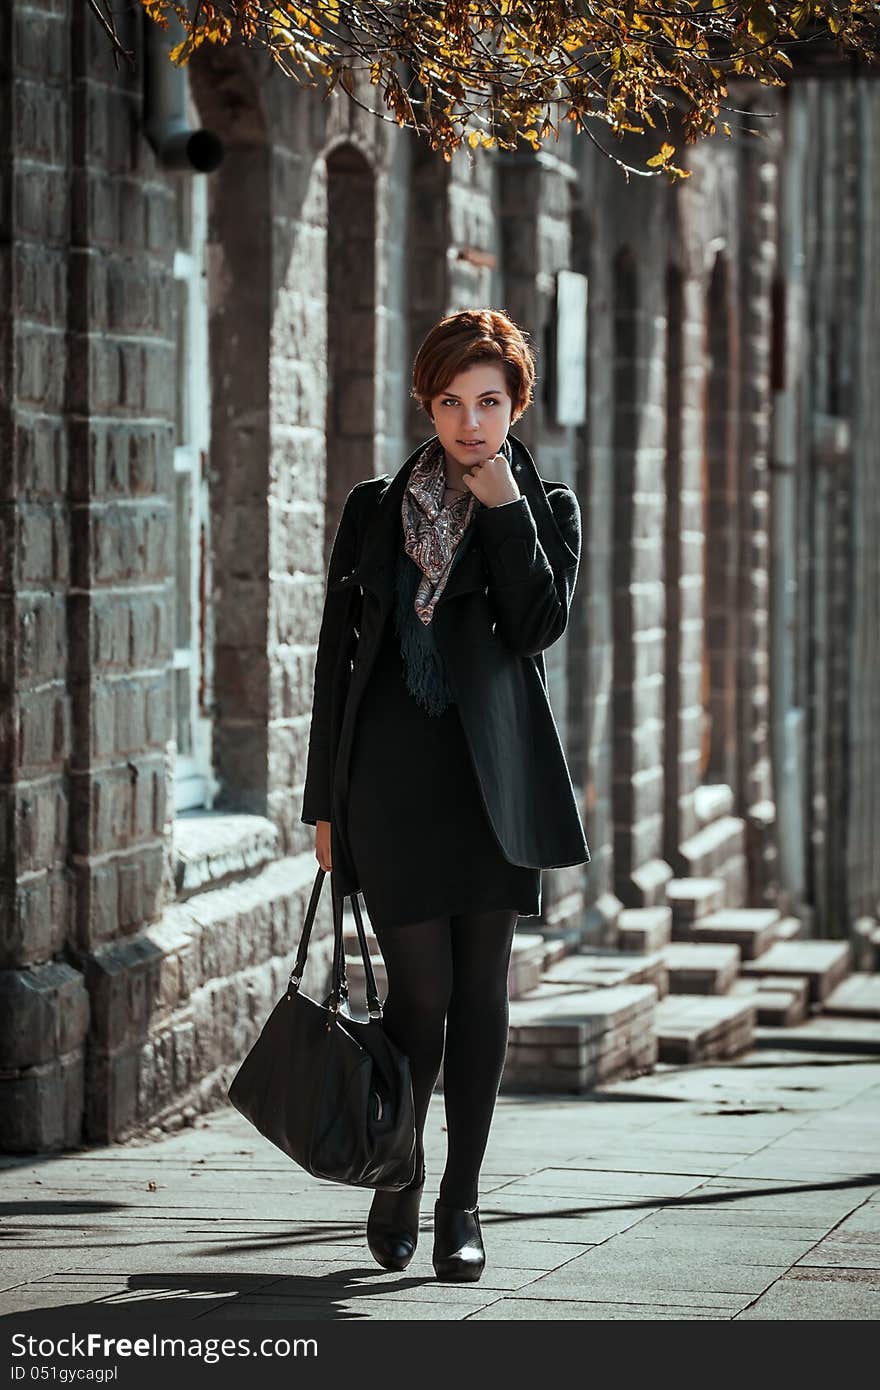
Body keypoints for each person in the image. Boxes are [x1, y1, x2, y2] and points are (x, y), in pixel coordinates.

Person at [301, 308, 590, 1283]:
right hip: (388, 783)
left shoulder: (544, 507)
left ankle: (461, 1200)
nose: (471, 424)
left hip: (492, 785)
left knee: (480, 994)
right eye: (453, 403)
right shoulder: (373, 508)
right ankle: (401, 1168)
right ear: (425, 403)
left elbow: (538, 624)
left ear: (515, 406)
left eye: (490, 404)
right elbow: (334, 664)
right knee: (418, 995)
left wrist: (504, 502)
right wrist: (323, 806)